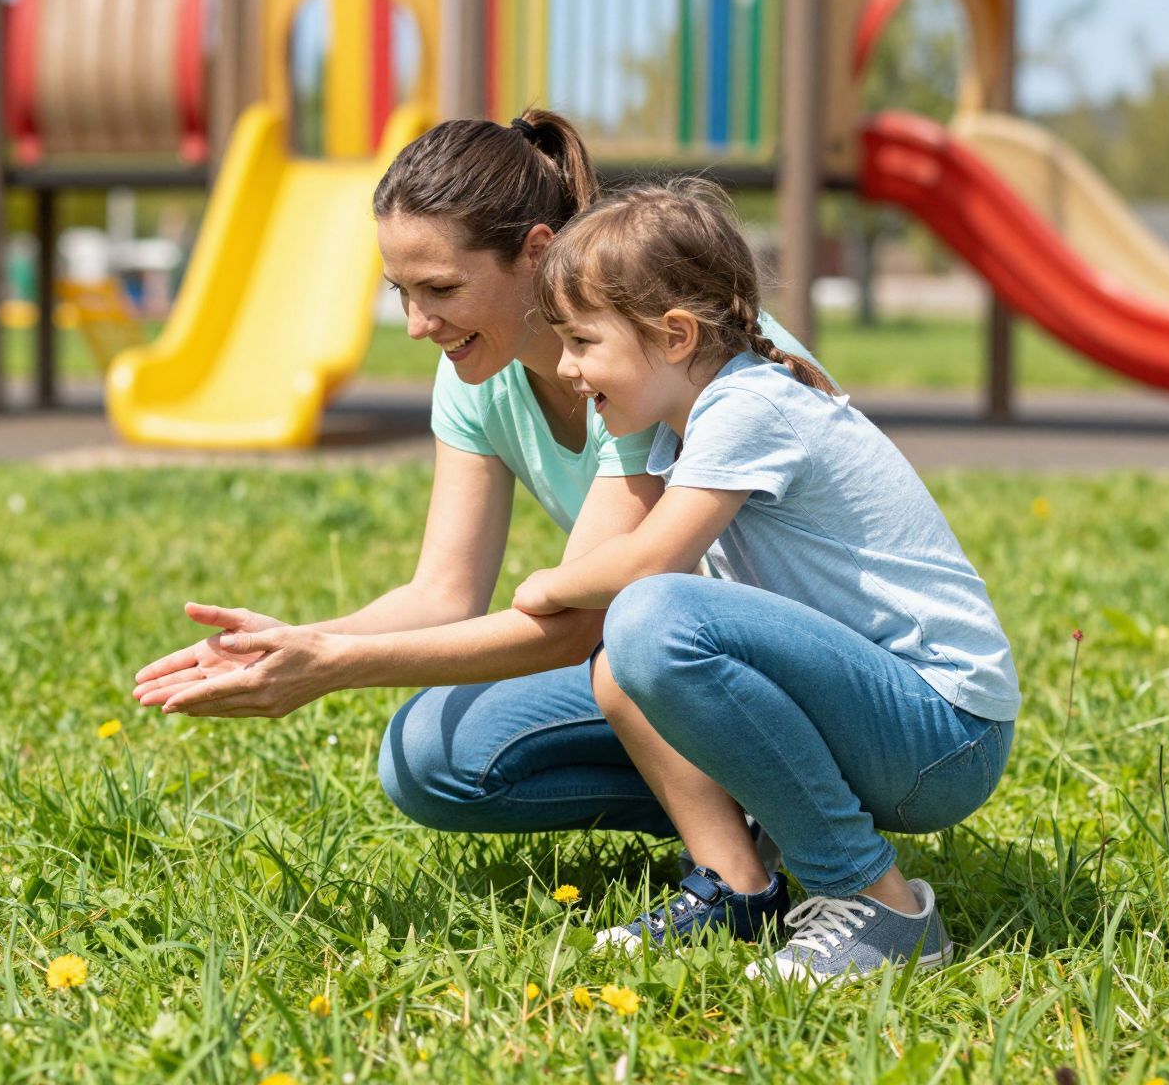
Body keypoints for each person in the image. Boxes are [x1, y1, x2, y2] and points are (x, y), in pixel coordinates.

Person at [131, 112, 809, 860]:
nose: (418, 324)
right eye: (401, 291)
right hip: (674, 661)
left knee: (617, 653)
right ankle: (743, 814)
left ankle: (783, 828)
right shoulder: (476, 371)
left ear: (537, 253)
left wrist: (333, 667)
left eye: (441, 288)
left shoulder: (653, 357)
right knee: (430, 755)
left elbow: (576, 627)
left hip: (812, 671)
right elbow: (443, 595)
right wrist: (295, 645)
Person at [512, 179, 1018, 982]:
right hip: (892, 721)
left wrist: (550, 584)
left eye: (581, 341)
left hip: (945, 731)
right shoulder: (681, 428)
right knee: (620, 670)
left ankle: (883, 909)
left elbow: (648, 566)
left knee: (651, 619)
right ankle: (740, 890)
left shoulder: (749, 407)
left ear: (675, 335)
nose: (568, 368)